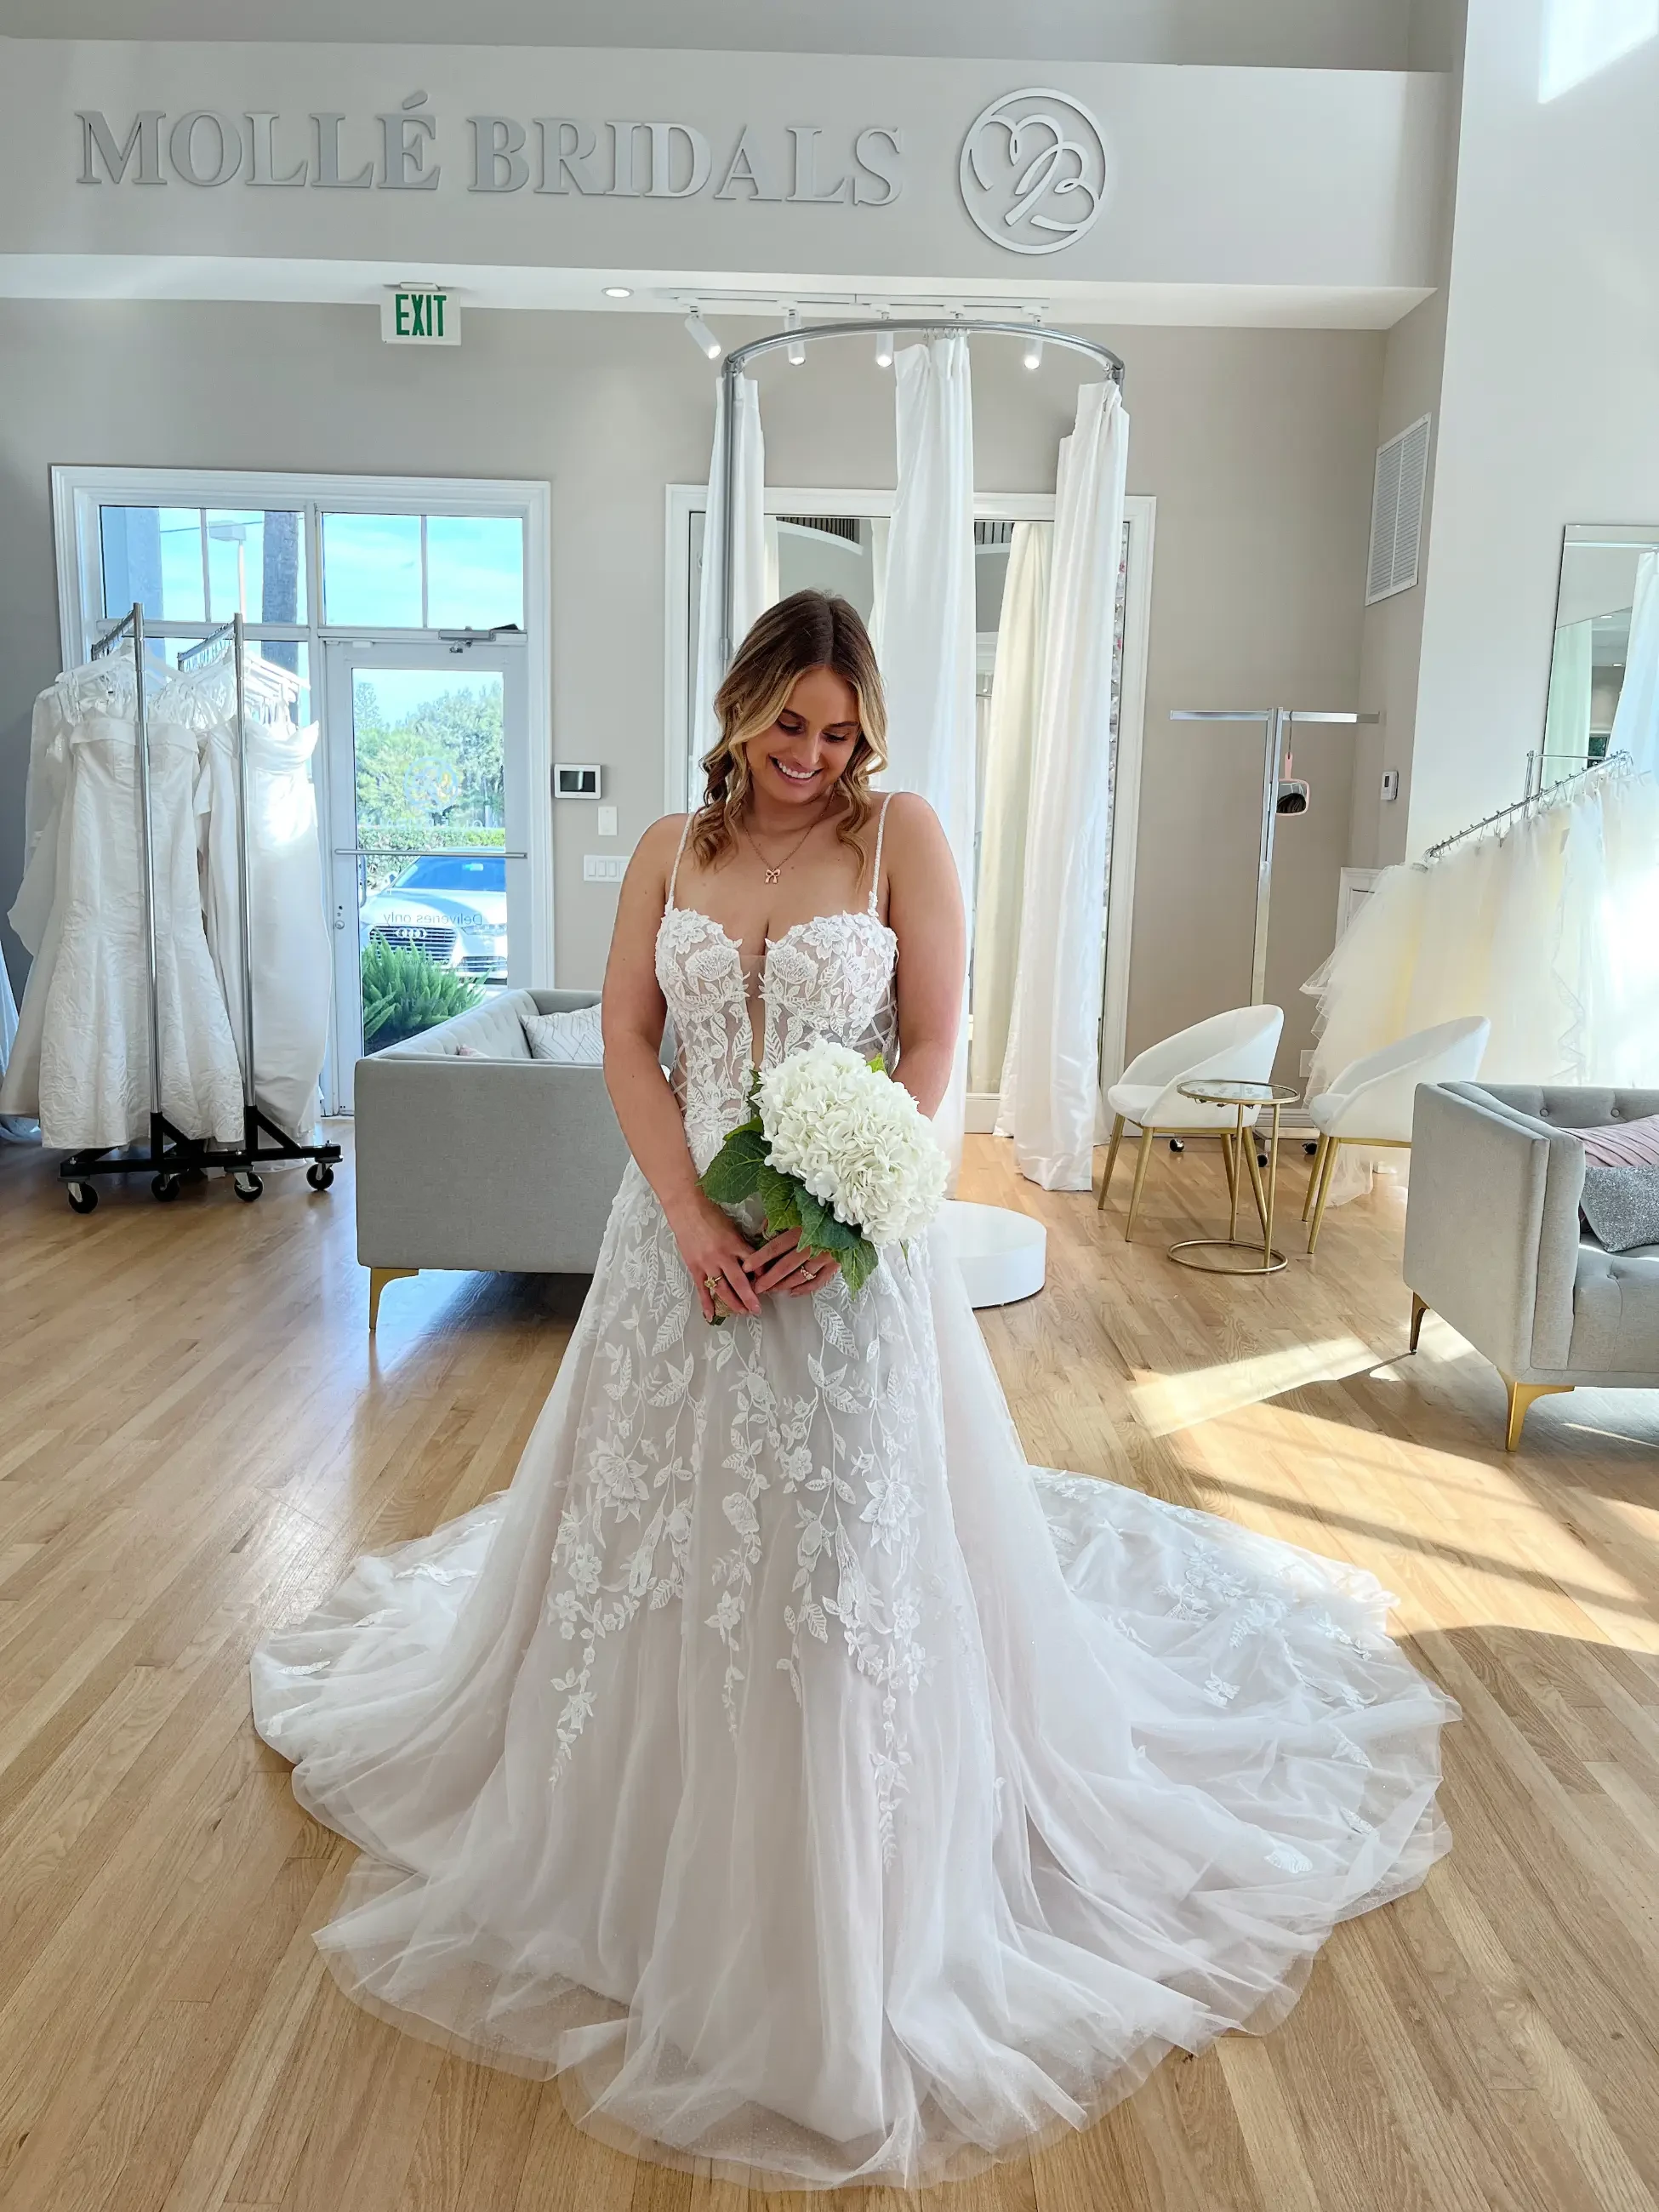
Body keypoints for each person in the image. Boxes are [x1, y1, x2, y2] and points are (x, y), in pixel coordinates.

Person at [252, 590, 1455, 2192]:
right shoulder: (669, 845)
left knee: (833, 1566)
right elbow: (627, 1037)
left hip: (839, 1263)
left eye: (838, 730)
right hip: (672, 1250)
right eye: (787, 724)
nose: (813, 756)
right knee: (653, 1537)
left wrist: (849, 1210)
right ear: (740, 707)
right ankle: (633, 1838)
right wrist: (686, 1213)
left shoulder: (903, 842)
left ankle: (842, 1888)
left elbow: (935, 1050)